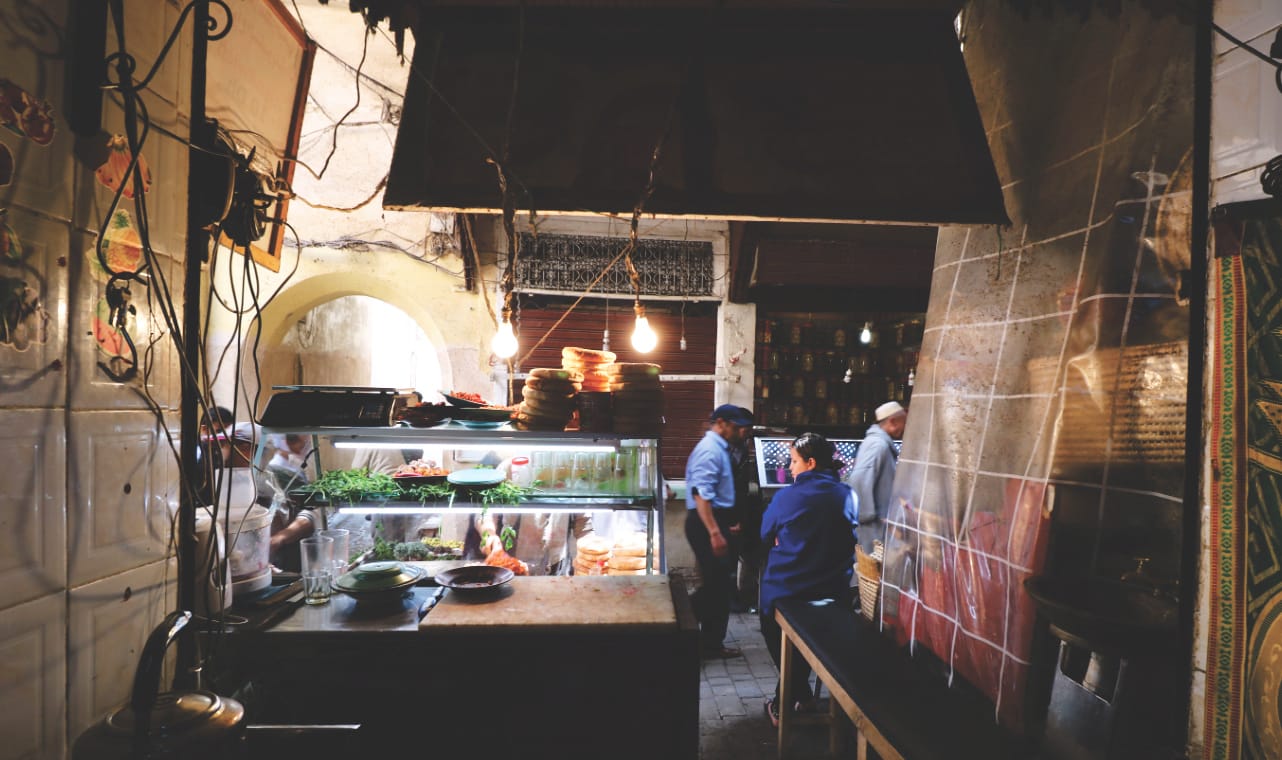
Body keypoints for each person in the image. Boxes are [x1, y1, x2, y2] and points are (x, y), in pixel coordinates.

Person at [759, 432, 858, 727]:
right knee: (807, 641)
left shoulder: (787, 496)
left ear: (810, 463)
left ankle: (784, 701)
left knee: (774, 628)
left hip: (789, 589)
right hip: (834, 589)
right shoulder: (847, 494)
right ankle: (802, 694)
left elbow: (765, 534)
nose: (790, 468)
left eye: (794, 461)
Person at [685, 404, 754, 659]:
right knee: (715, 587)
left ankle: (711, 644)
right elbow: (701, 495)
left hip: (717, 521)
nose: (741, 432)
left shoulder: (722, 449)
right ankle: (680, 624)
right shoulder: (710, 451)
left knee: (719, 586)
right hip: (707, 523)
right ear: (721, 422)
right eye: (737, 427)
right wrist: (715, 532)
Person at [844, 400, 906, 554]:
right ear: (892, 421)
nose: (905, 428)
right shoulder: (878, 445)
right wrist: (866, 516)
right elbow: (859, 479)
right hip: (872, 527)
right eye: (903, 422)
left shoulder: (879, 443)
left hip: (878, 524)